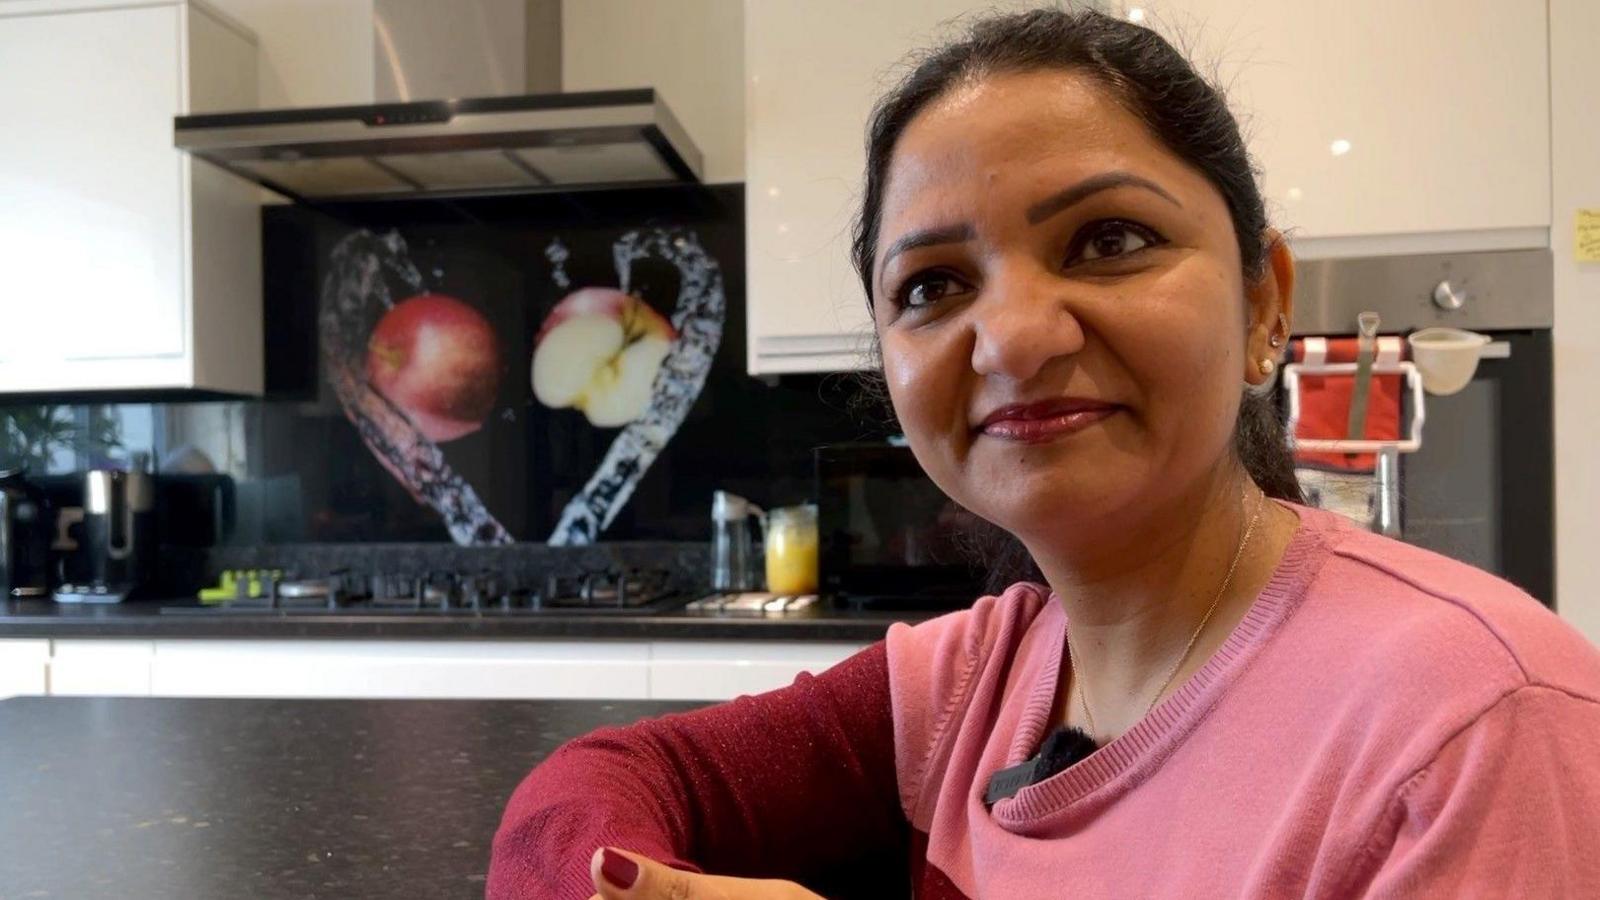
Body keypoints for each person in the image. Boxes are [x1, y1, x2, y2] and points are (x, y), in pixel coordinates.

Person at [487, 8, 1600, 899]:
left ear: (1265, 302)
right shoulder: (981, 674)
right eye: (932, 286)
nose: (1013, 336)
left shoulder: (1476, 731)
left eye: (1110, 241)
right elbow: (588, 791)